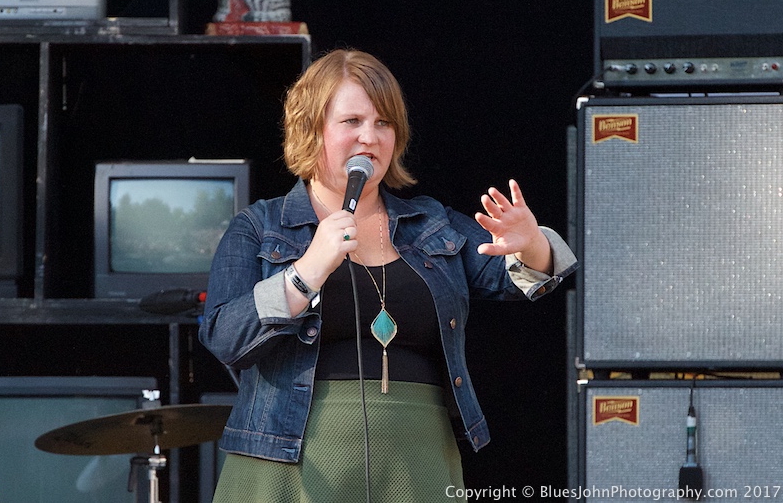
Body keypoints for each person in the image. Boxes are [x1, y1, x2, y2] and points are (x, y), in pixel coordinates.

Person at [198, 48, 578, 502]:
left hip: (414, 460)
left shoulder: (430, 223)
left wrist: (532, 243)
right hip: (291, 462)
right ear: (310, 129)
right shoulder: (260, 227)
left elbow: (520, 277)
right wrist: (304, 273)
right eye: (352, 122)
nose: (370, 138)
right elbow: (223, 336)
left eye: (383, 123)